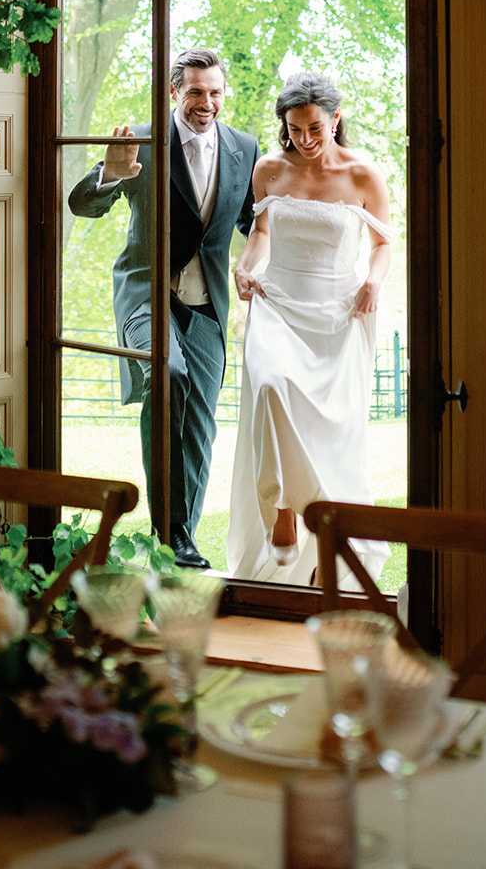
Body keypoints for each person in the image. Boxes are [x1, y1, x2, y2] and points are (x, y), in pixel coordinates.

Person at [68, 49, 259, 569]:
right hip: (147, 297)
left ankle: (182, 539)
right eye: (195, 92)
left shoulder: (244, 147)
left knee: (199, 424)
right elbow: (83, 205)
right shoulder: (143, 142)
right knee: (167, 373)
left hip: (206, 307)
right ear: (176, 92)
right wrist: (109, 172)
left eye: (215, 92)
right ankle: (168, 532)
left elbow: (252, 222)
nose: (206, 103)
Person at [226, 71, 393, 586]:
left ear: (335, 118)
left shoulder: (364, 174)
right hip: (278, 304)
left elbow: (385, 242)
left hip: (339, 315)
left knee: (333, 437)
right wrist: (245, 266)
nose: (305, 139)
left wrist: (373, 281)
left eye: (315, 127)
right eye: (295, 129)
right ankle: (281, 509)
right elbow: (261, 230)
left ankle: (333, 548)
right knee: (271, 388)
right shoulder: (270, 170)